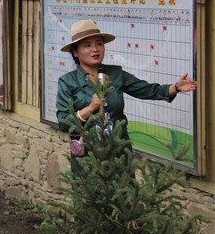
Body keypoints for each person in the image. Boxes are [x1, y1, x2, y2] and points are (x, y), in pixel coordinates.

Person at [55, 19, 198, 171]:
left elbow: (147, 90)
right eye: (87, 45)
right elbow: (64, 123)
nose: (95, 49)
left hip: (119, 153)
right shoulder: (67, 82)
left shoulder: (116, 74)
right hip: (87, 157)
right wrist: (90, 108)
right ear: (75, 52)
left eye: (99, 43)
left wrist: (175, 87)